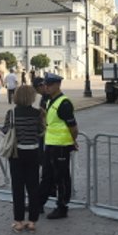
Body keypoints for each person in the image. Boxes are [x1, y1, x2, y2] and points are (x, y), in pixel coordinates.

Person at [2, 85, 45, 232]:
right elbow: (41, 131)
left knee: (17, 187)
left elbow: (5, 130)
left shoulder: (12, 113)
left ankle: (18, 221)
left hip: (16, 153)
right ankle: (32, 221)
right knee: (33, 187)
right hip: (33, 152)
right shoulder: (38, 113)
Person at [37, 73, 80, 219]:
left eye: (49, 85)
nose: (46, 87)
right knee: (47, 176)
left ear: (57, 85)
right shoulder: (51, 101)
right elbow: (49, 121)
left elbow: (73, 127)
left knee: (61, 177)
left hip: (61, 145)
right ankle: (38, 204)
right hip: (51, 144)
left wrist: (72, 141)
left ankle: (62, 207)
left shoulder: (64, 103)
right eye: (45, 85)